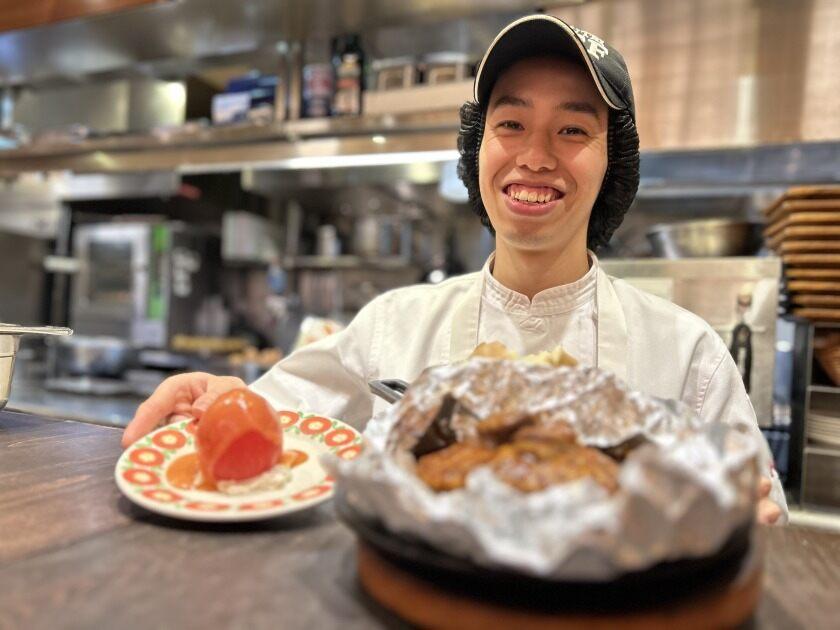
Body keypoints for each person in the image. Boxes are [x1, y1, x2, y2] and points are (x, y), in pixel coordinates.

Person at [122, 14, 786, 524]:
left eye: (572, 130)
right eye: (511, 123)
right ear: (477, 147)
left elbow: (759, 512)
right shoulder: (392, 325)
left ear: (613, 162)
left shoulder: (687, 354)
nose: (535, 156)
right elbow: (281, 428)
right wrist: (222, 402)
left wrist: (747, 520)